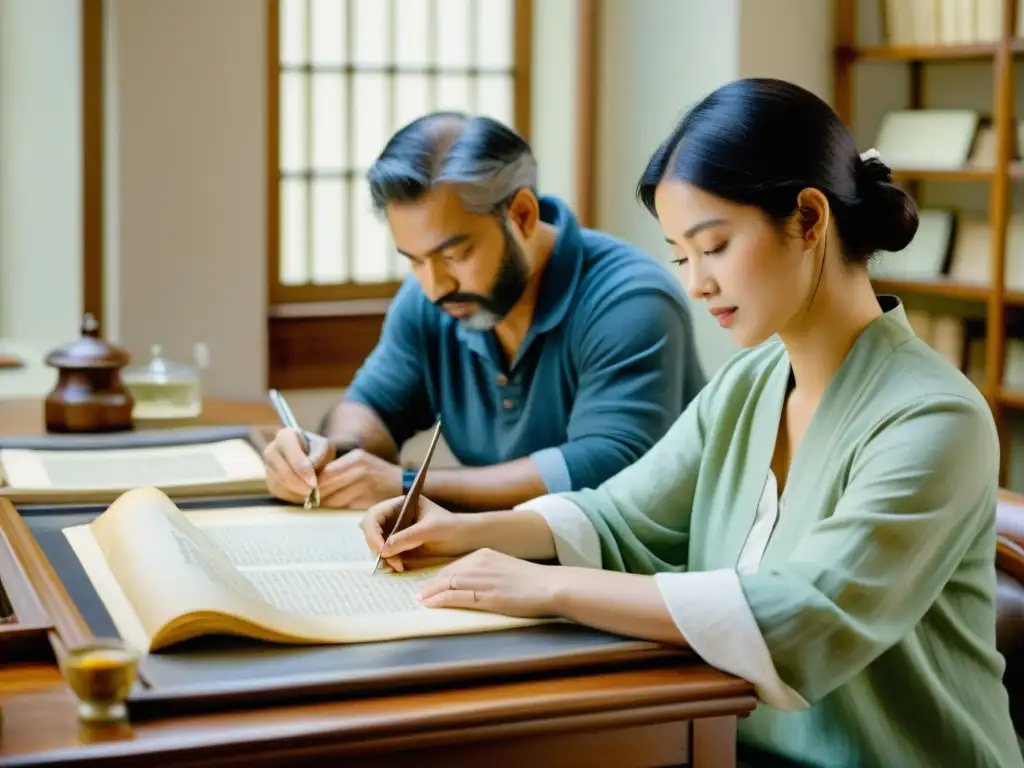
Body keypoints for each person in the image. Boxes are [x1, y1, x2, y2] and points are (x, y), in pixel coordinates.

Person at [359, 80, 1023, 767]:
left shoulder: (935, 417)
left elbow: (800, 618)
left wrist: (548, 585)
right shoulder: (748, 384)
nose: (695, 282)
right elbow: (621, 515)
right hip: (728, 746)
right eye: (681, 254)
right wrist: (460, 530)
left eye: (714, 246)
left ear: (808, 219)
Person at [262, 112, 705, 512]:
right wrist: (331, 456)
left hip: (637, 572)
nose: (435, 286)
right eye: (414, 260)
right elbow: (372, 408)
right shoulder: (428, 301)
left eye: (454, 255)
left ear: (523, 215)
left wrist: (407, 485)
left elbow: (604, 466)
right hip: (503, 560)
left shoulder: (629, 298)